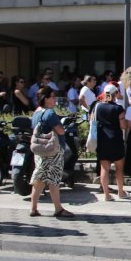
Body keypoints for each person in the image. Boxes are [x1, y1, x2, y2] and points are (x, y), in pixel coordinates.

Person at [29, 87, 74, 218]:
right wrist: (64, 129)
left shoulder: (36, 112)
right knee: (53, 180)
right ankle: (58, 209)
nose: (55, 99)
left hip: (40, 150)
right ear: (46, 99)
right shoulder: (50, 113)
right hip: (52, 151)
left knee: (39, 180)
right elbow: (60, 130)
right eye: (53, 97)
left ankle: (33, 208)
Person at [94, 84, 129, 201]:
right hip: (116, 139)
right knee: (119, 168)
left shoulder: (98, 106)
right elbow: (122, 126)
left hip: (102, 139)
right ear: (115, 94)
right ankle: (121, 192)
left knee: (104, 168)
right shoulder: (118, 108)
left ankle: (106, 195)